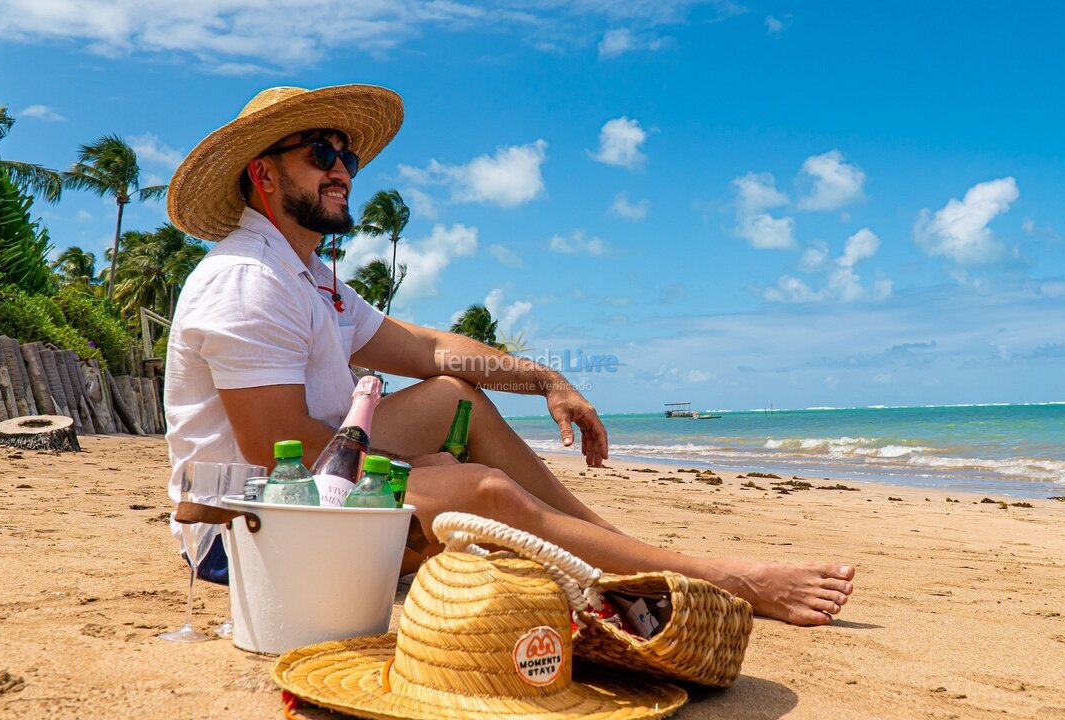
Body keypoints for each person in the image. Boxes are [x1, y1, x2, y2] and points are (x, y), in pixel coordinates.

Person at [164, 84, 854, 626]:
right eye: (320, 153)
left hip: (311, 495)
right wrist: (423, 475)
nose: (343, 169)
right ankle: (716, 577)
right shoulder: (247, 281)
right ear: (262, 173)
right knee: (484, 492)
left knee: (451, 400)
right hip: (249, 537)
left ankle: (616, 550)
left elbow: (433, 350)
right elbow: (279, 461)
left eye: (347, 155)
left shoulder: (313, 279)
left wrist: (546, 379)